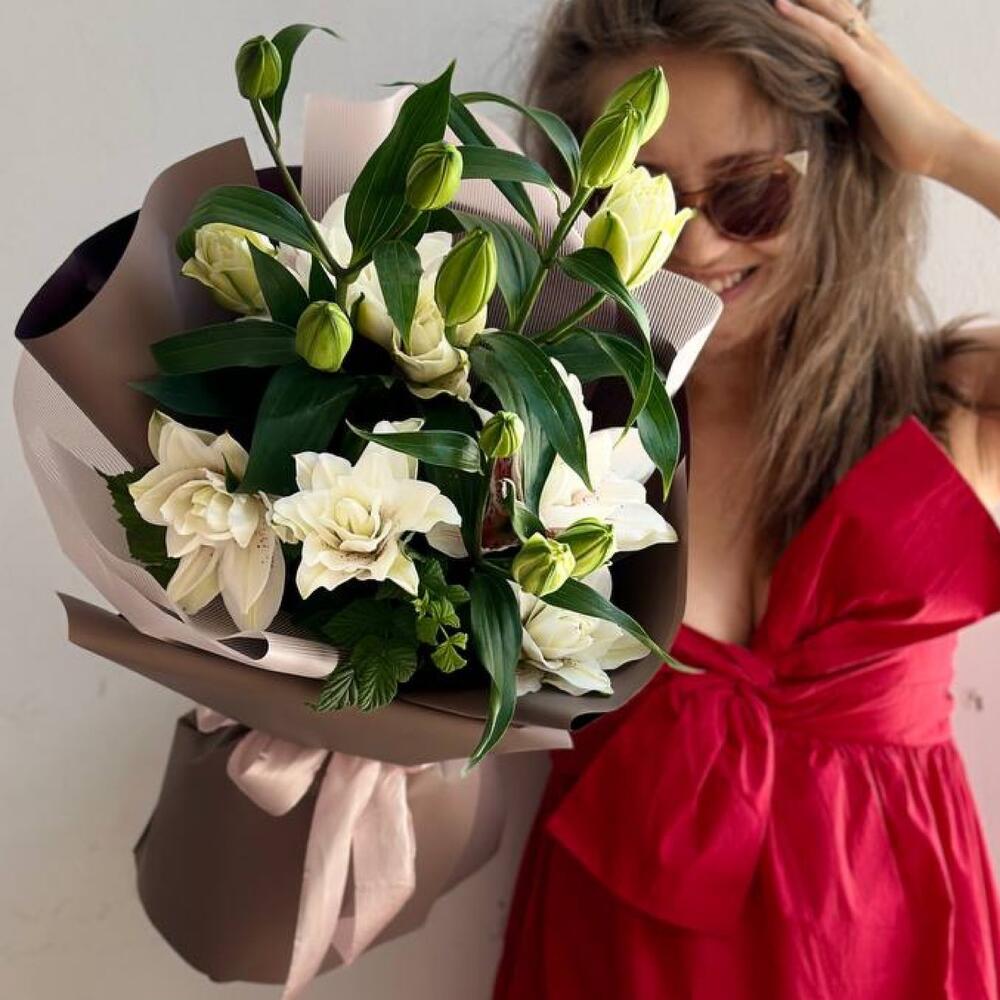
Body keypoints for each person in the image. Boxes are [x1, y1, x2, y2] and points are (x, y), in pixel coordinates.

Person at [493, 0, 1000, 997]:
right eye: (639, 197)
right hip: (615, 964)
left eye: (753, 192)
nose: (694, 246)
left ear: (834, 177)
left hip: (899, 958)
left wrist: (946, 149)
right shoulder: (528, 435)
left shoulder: (954, 408)